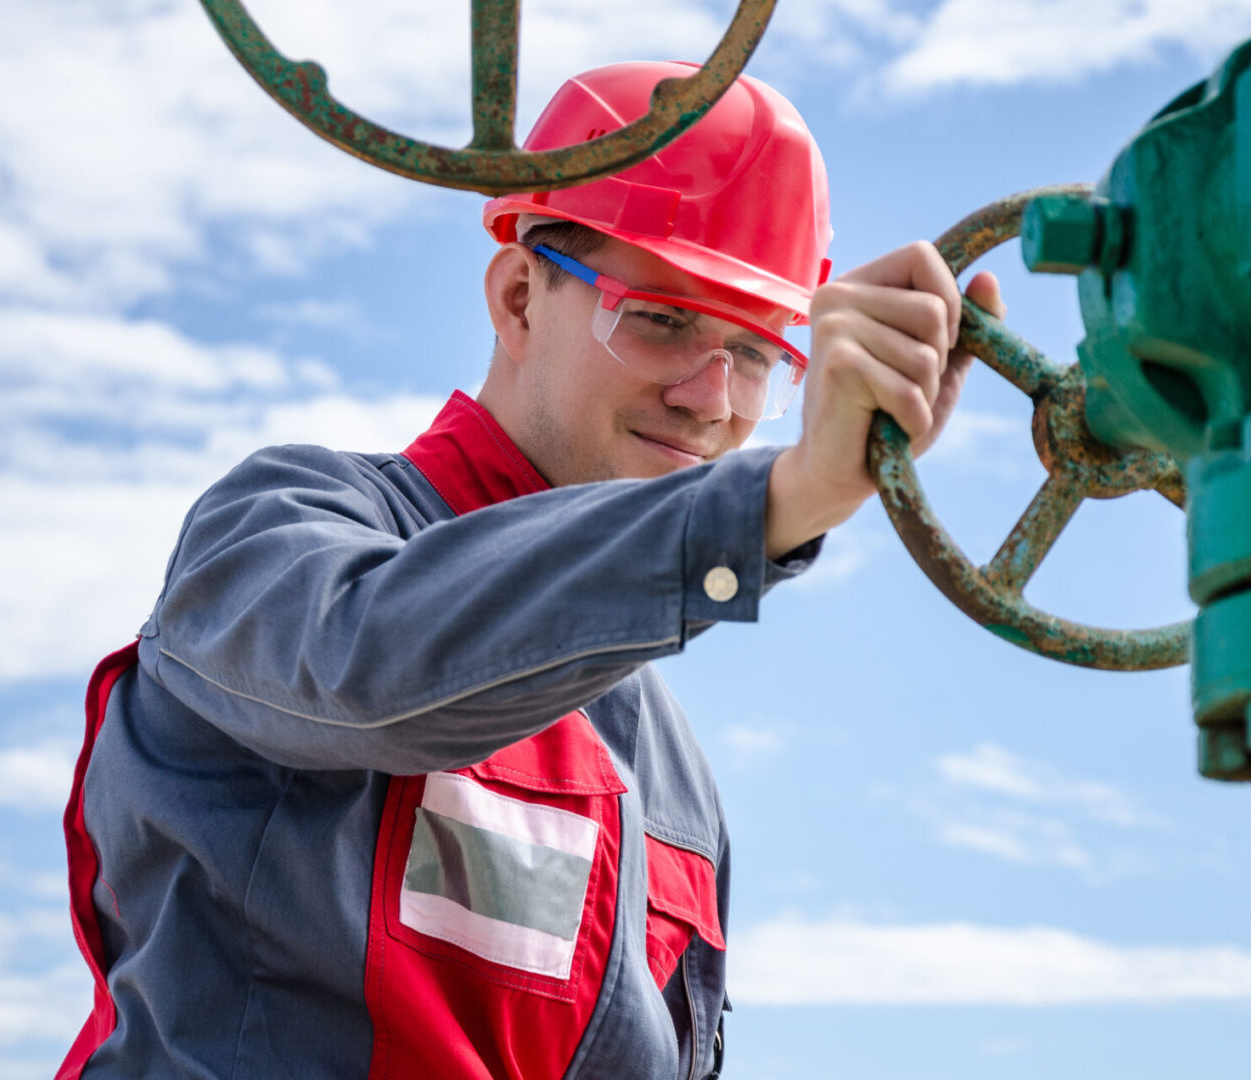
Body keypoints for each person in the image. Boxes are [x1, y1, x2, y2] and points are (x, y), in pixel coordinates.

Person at [56, 61, 1003, 1080]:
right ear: (517, 297)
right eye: (662, 321)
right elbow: (376, 672)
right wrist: (780, 499)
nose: (710, 398)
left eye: (757, 353)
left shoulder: (673, 782)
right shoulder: (280, 537)